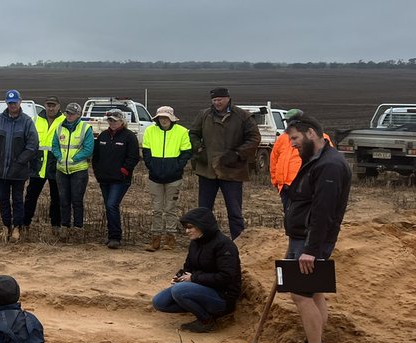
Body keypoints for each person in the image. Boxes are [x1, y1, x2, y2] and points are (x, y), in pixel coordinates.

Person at [278, 114, 351, 343]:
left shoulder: (329, 166)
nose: (293, 144)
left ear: (311, 133)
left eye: (295, 138)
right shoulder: (317, 160)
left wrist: (311, 250)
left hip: (310, 242)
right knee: (315, 293)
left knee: (301, 294)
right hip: (303, 237)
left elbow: (323, 211)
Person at [151, 207, 241, 332]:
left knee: (179, 291)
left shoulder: (224, 245)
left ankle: (206, 320)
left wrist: (193, 278)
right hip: (201, 288)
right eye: (186, 228)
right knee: (159, 302)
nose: (187, 231)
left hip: (222, 297)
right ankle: (200, 308)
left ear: (202, 226)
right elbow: (188, 266)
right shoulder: (196, 242)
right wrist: (180, 277)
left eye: (190, 227)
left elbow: (226, 277)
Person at [189, 87, 261, 239]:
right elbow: (193, 134)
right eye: (214, 100)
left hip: (232, 171)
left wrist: (237, 154)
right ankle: (203, 240)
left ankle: (238, 242)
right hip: (207, 170)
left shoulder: (243, 116)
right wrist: (199, 149)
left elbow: (254, 138)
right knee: (204, 210)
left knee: (234, 212)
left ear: (228, 98)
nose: (217, 103)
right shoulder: (204, 115)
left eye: (220, 99)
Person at [0, 90, 39, 242]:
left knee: (17, 200)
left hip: (19, 171)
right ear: (6, 103)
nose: (12, 105)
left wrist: (21, 160)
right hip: (0, 169)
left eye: (14, 102)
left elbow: (33, 144)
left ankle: (17, 228)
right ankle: (5, 226)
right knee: (3, 199)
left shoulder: (27, 122)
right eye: (10, 103)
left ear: (20, 102)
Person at [141, 105, 192, 251]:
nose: (163, 120)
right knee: (156, 209)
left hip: (174, 177)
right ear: (157, 118)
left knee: (171, 208)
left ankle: (170, 238)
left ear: (171, 118)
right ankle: (155, 238)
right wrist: (152, 166)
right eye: (161, 117)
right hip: (154, 177)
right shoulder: (150, 131)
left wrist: (177, 167)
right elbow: (146, 152)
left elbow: (186, 152)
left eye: (166, 117)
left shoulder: (181, 131)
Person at [91, 109, 140, 249]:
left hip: (120, 180)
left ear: (122, 121)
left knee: (112, 205)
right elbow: (96, 156)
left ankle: (115, 237)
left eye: (115, 120)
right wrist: (96, 170)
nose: (112, 123)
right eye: (110, 120)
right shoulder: (103, 136)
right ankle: (112, 235)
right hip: (104, 178)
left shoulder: (129, 136)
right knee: (109, 206)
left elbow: (134, 157)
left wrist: (124, 170)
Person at [270, 108, 334, 213]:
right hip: (285, 187)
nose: (288, 124)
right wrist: (276, 182)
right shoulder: (282, 138)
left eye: (291, 121)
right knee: (290, 217)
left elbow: (327, 161)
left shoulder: (319, 138)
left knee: (306, 217)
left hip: (304, 187)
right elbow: (274, 159)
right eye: (287, 121)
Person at [50, 102, 94, 238]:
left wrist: (74, 159)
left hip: (78, 171)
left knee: (77, 200)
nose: (69, 116)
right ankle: (65, 226)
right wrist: (59, 157)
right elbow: (55, 145)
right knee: (63, 199)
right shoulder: (59, 128)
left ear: (79, 115)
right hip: (62, 170)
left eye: (72, 114)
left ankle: (78, 227)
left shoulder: (85, 128)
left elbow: (88, 148)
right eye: (68, 113)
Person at [24, 96, 65, 235]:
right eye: (49, 105)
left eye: (54, 105)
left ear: (59, 106)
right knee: (31, 196)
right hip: (38, 165)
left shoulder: (64, 121)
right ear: (45, 106)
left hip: (56, 165)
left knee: (57, 198)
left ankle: (56, 226)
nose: (51, 108)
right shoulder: (36, 120)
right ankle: (25, 224)